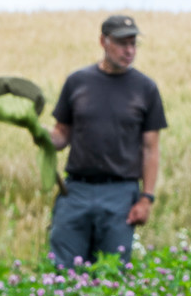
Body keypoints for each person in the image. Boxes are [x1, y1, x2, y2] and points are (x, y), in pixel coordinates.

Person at [48, 14, 167, 269]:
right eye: (122, 43)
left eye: (133, 44)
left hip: (120, 194)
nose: (129, 50)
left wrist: (146, 199)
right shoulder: (77, 82)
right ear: (103, 41)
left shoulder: (146, 89)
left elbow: (151, 149)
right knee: (61, 271)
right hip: (75, 191)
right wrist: (41, 135)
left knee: (111, 274)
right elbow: (62, 135)